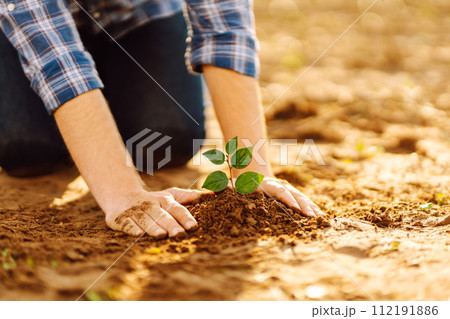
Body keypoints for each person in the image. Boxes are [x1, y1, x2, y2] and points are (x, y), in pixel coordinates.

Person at [0, 0, 324, 238]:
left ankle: (109, 90)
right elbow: (58, 60)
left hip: (137, 16)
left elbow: (225, 28)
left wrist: (252, 172)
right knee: (26, 147)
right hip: (18, 28)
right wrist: (122, 192)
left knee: (165, 138)